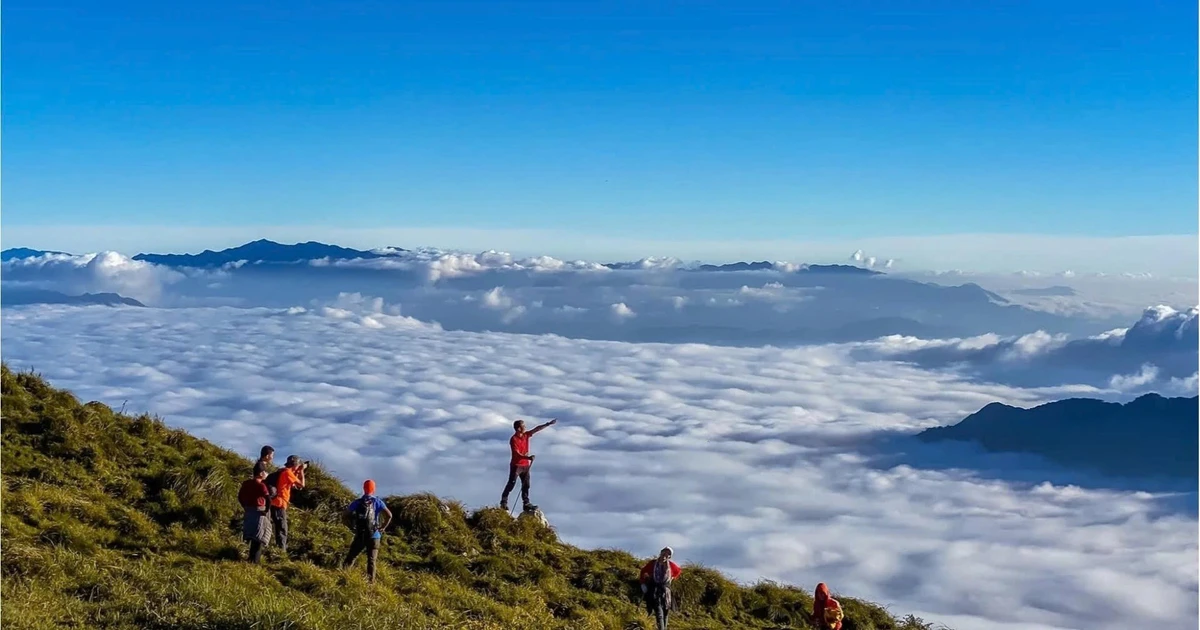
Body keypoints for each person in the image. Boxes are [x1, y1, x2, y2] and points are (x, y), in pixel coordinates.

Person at [500, 418, 556, 512]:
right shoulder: (513, 439)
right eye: (523, 426)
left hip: (525, 465)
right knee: (511, 484)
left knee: (526, 485)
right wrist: (528, 458)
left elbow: (536, 429)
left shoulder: (525, 435)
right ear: (518, 429)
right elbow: (516, 453)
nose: (525, 427)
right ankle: (503, 502)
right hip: (517, 465)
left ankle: (526, 504)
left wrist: (547, 424)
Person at [341, 479, 392, 583]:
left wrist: (350, 527)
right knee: (371, 561)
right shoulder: (378, 502)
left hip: (360, 534)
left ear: (364, 488)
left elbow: (344, 515)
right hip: (374, 535)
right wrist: (382, 527)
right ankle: (370, 584)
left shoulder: (357, 502)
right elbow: (389, 516)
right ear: (374, 489)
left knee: (351, 557)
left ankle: (344, 579)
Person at [266, 455, 306, 553]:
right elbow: (301, 485)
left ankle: (278, 548)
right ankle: (281, 551)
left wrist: (297, 471)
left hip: (274, 502)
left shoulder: (283, 471)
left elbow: (292, 483)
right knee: (282, 528)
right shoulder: (288, 472)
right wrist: (301, 471)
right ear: (296, 465)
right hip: (280, 503)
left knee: (278, 526)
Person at [639, 546, 682, 630]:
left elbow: (678, 571)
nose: (665, 555)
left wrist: (672, 578)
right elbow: (643, 571)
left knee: (665, 613)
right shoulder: (653, 563)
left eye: (668, 554)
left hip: (666, 592)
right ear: (661, 552)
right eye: (664, 552)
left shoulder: (671, 566)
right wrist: (643, 583)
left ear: (670, 556)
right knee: (659, 612)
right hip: (654, 590)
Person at [237, 466, 273, 563]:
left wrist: (244, 506)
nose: (266, 474)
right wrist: (266, 510)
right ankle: (254, 561)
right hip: (259, 510)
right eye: (265, 472)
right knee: (259, 537)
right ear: (261, 473)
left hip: (249, 510)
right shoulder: (261, 485)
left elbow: (239, 497)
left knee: (252, 535)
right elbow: (269, 499)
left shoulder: (246, 483)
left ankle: (250, 559)